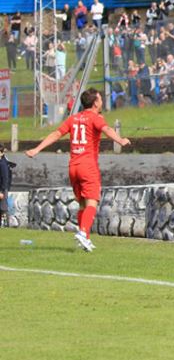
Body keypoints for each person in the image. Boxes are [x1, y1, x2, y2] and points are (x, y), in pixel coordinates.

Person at [25, 88, 131, 251]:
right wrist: (120, 140)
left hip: (73, 167)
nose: (102, 101)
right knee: (92, 202)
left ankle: (85, 239)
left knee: (82, 204)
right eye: (100, 99)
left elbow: (56, 134)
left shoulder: (73, 118)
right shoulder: (95, 118)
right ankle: (82, 233)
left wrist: (37, 149)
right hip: (88, 166)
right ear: (95, 103)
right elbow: (107, 129)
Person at [0, 144, 14, 227]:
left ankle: (4, 224)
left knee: (3, 208)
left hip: (2, 189)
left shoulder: (3, 164)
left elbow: (5, 179)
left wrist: (2, 191)